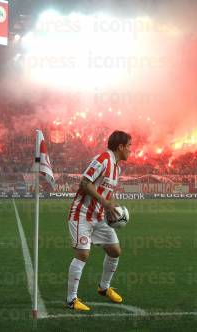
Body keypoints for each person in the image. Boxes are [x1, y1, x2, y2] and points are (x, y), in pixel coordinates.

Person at [66, 130, 131, 311]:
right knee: (83, 254)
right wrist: (105, 203)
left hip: (100, 217)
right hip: (82, 213)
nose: (130, 151)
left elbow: (106, 192)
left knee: (115, 251)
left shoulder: (117, 168)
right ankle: (71, 300)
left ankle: (104, 287)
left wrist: (111, 206)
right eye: (129, 146)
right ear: (120, 147)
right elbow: (84, 183)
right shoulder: (103, 160)